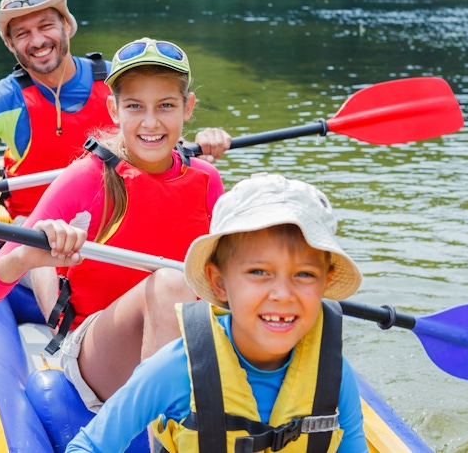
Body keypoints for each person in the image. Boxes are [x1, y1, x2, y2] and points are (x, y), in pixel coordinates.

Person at [0, 38, 225, 409]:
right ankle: (168, 437)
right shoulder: (85, 179)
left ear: (187, 107)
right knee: (170, 284)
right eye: (134, 106)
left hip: (183, 336)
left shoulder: (206, 179)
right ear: (113, 108)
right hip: (97, 349)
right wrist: (25, 257)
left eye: (166, 106)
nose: (150, 122)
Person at [65, 173, 369, 453]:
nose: (282, 294)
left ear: (325, 283)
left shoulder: (332, 373)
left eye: (304, 275)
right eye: (259, 271)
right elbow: (87, 447)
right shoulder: (176, 368)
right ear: (219, 283)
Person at [0, 0, 230, 215]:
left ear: (66, 26)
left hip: (118, 216)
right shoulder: (0, 101)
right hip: (37, 229)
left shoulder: (118, 80)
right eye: (23, 33)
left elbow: (165, 131)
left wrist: (203, 143)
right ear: (10, 43)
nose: (38, 41)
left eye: (46, 26)